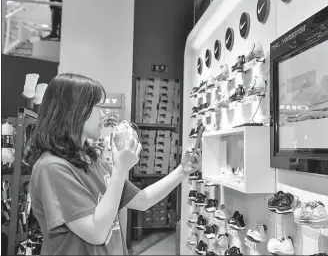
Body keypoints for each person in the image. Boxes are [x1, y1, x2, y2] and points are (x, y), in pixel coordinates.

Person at [24, 73, 201, 255]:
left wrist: (182, 170)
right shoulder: (52, 167)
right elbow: (96, 233)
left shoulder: (94, 162)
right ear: (72, 111)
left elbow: (143, 201)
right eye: (97, 106)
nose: (104, 113)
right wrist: (120, 169)